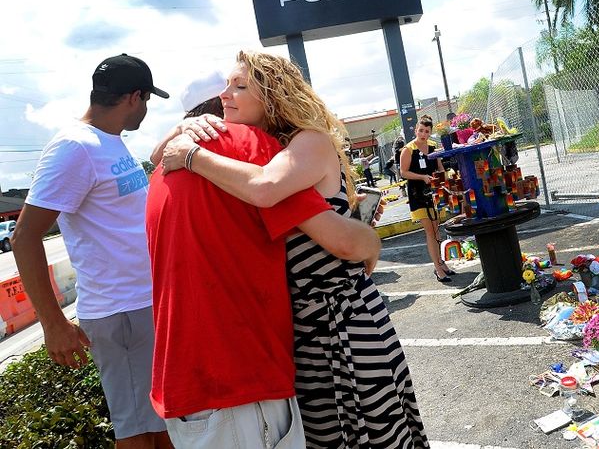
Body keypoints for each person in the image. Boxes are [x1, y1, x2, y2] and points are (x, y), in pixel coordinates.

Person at [156, 51, 428, 449]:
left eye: (239, 86)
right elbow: (156, 157)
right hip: (303, 326)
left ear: (273, 95)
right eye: (226, 86)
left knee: (369, 431)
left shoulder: (308, 142)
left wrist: (193, 155)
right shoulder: (258, 151)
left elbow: (266, 189)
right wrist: (185, 126)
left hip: (343, 320)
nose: (225, 95)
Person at [12, 54, 172, 448]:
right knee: (138, 432)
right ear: (134, 97)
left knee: (162, 427)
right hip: (120, 311)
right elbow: (24, 237)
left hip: (142, 306)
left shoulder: (109, 143)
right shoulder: (74, 147)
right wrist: (54, 325)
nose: (146, 111)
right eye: (148, 101)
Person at [398, 115, 456, 283]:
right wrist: (422, 177)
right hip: (418, 194)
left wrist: (446, 181)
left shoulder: (433, 146)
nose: (423, 134)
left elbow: (439, 167)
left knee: (437, 229)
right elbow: (403, 172)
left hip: (435, 193)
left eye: (427, 131)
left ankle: (441, 263)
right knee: (430, 231)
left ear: (430, 132)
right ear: (416, 130)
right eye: (421, 130)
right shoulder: (408, 149)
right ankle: (438, 269)